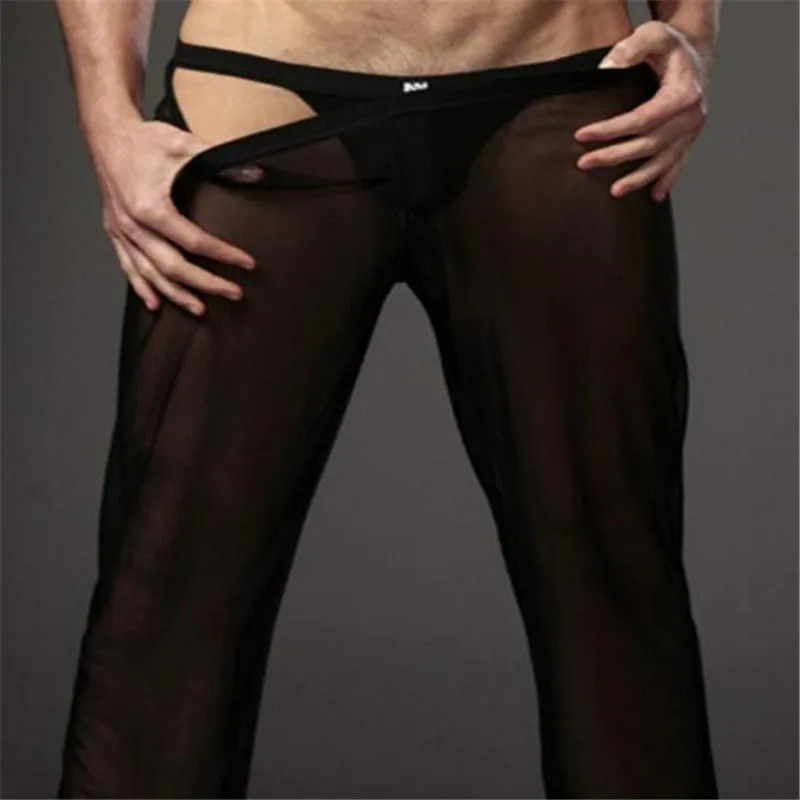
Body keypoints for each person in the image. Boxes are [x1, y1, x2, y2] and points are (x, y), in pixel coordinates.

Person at [53, 0, 721, 796]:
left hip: (558, 89)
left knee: (614, 576)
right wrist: (107, 116)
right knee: (172, 587)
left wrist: (695, 34)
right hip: (262, 91)